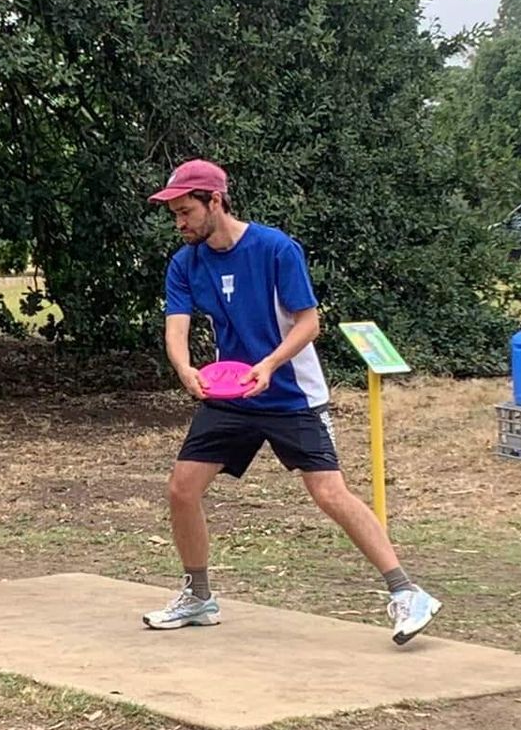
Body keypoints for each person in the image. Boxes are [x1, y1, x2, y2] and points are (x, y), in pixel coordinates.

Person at [142, 158, 441, 644]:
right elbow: (177, 326)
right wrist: (184, 368)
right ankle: (199, 598)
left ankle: (408, 594)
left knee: (328, 493)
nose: (179, 224)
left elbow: (309, 322)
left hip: (290, 394)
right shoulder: (185, 262)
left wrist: (270, 365)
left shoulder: (275, 248)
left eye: (185, 212)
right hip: (231, 394)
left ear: (214, 201)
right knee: (181, 488)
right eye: (174, 214)